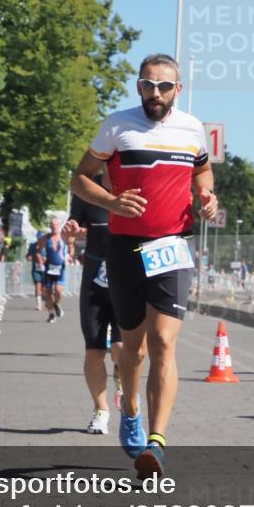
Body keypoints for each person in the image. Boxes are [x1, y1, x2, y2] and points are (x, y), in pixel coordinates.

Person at [71, 53, 217, 479]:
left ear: (178, 89)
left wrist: (208, 198)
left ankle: (157, 443)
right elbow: (80, 177)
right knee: (131, 349)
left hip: (171, 246)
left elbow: (203, 173)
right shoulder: (117, 125)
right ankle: (130, 409)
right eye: (148, 85)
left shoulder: (192, 129)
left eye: (164, 86)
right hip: (124, 247)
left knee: (164, 344)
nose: (155, 93)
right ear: (138, 86)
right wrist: (112, 202)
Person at [63, 174, 125, 435]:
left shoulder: (135, 184)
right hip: (94, 278)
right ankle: (101, 411)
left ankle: (123, 382)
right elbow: (73, 227)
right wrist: (72, 231)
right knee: (94, 350)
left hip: (127, 278)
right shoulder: (86, 187)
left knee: (123, 349)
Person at [36, 217, 72, 323]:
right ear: (50, 226)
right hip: (49, 268)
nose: (54, 227)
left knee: (58, 291)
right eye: (52, 225)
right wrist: (40, 259)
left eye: (56, 225)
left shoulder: (63, 237)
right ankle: (51, 314)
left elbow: (71, 246)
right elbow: (38, 250)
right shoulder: (45, 238)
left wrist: (70, 256)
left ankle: (56, 303)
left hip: (60, 268)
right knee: (48, 292)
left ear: (59, 225)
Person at [25, 235, 44, 311]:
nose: (40, 240)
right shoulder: (33, 246)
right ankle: (39, 304)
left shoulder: (47, 245)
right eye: (39, 238)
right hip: (36, 269)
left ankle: (46, 299)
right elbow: (28, 255)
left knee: (45, 288)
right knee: (37, 286)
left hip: (46, 269)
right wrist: (29, 257)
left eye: (42, 238)